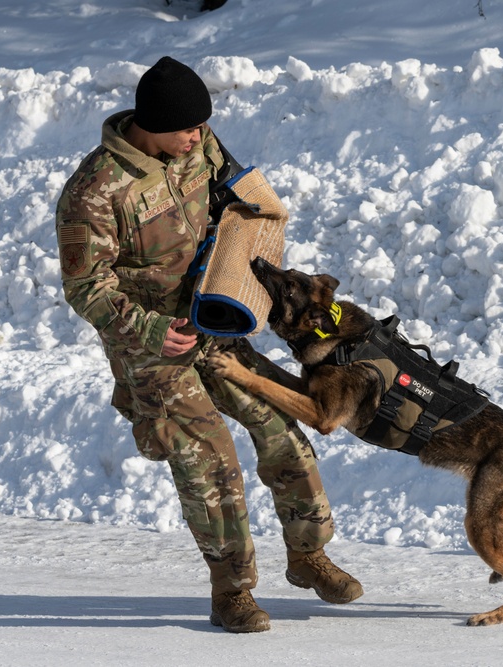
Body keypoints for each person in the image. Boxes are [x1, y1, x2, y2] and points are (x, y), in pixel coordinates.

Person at [54, 56, 362, 633]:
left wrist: (257, 209)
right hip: (150, 345)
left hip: (210, 320)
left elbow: (232, 186)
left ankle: (308, 555)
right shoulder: (93, 192)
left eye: (202, 127)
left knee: (279, 424)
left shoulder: (198, 145)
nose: (199, 137)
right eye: (188, 129)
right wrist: (147, 330)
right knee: (210, 461)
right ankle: (232, 591)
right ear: (151, 123)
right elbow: (85, 287)